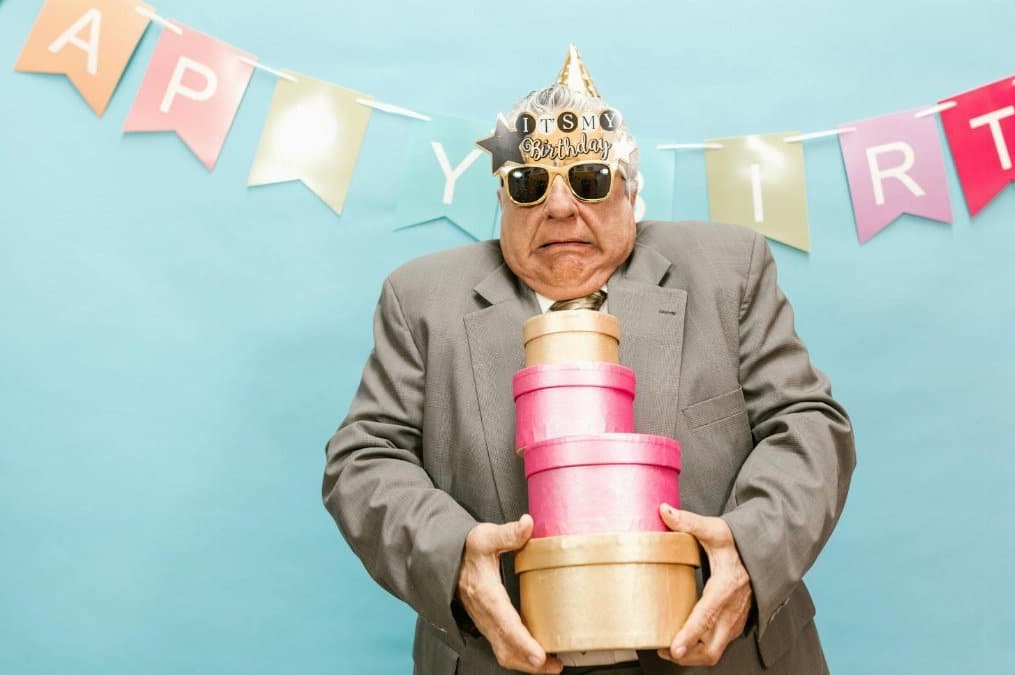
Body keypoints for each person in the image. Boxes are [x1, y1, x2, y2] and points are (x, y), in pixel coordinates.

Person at [322, 46, 857, 674]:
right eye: (529, 185)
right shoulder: (420, 300)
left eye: (589, 181)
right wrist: (455, 557)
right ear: (501, 200)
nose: (559, 208)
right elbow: (363, 460)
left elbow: (809, 425)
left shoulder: (727, 270)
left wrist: (747, 550)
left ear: (632, 191)